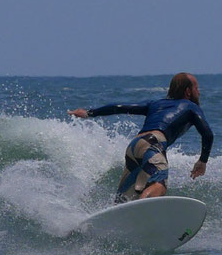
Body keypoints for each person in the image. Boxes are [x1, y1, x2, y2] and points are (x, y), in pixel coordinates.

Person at [69, 72, 213, 203]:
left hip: (134, 146)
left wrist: (89, 113)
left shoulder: (155, 104)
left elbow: (119, 107)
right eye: (196, 88)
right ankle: (140, 212)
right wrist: (202, 161)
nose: (198, 93)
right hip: (153, 144)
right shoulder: (190, 106)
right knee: (159, 185)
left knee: (125, 200)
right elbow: (207, 134)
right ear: (188, 91)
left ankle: (118, 221)